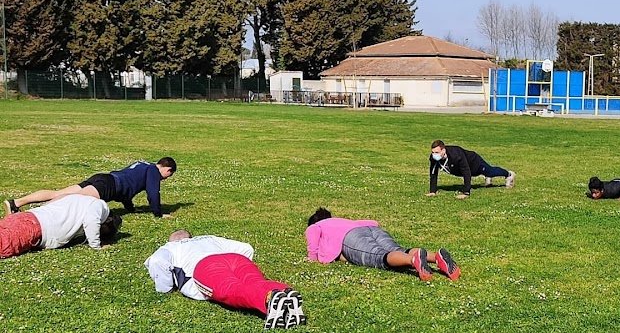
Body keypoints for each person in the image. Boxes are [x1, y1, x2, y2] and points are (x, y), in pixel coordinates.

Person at [144, 230, 306, 329]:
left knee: (232, 289)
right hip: (235, 258)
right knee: (255, 281)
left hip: (205, 267)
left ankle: (269, 298)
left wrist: (165, 288)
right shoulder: (208, 238)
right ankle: (285, 291)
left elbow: (157, 262)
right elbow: (246, 248)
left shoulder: (170, 247)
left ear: (172, 240)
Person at [305, 208, 461, 282]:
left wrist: (312, 258)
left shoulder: (317, 226)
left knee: (379, 256)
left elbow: (313, 239)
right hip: (370, 229)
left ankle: (413, 261)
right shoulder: (343, 221)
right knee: (399, 250)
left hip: (352, 237)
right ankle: (435, 257)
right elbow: (373, 223)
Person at [5, 157, 177, 218]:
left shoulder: (142, 165)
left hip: (104, 178)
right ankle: (30, 216)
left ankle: (17, 203)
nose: (165, 179)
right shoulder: (154, 171)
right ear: (167, 169)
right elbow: (153, 193)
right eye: (169, 175)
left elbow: (128, 190)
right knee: (72, 200)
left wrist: (130, 208)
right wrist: (158, 213)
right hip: (109, 185)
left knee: (60, 193)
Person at [1, 194, 121, 259]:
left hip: (26, 217)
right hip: (35, 227)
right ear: (108, 221)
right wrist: (96, 245)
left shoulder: (81, 199)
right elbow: (91, 221)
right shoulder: (101, 206)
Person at [427, 140, 515, 200]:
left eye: (437, 152)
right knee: (488, 173)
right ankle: (488, 177)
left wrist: (466, 192)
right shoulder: (434, 158)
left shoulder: (457, 154)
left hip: (475, 164)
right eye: (433, 152)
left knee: (490, 171)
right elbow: (433, 173)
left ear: (443, 150)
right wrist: (432, 191)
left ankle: (508, 174)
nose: (434, 155)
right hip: (461, 170)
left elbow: (466, 172)